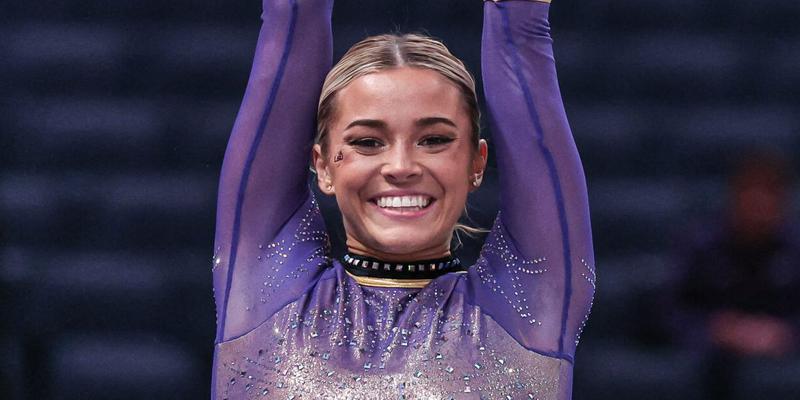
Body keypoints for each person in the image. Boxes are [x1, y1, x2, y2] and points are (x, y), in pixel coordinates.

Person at [211, 0, 595, 398]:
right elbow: (292, 15)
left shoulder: (526, 304)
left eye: (434, 140)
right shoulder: (267, 287)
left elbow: (521, 37)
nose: (400, 165)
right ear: (323, 165)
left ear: (476, 163)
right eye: (367, 142)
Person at [668, 150, 800, 399]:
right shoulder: (701, 245)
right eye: (750, 191)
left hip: (784, 363)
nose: (759, 202)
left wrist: (784, 333)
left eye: (769, 192)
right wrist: (715, 329)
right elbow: (670, 310)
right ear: (734, 195)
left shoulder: (796, 248)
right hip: (712, 364)